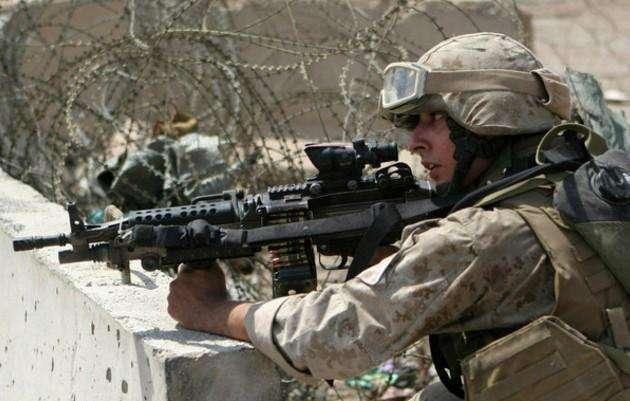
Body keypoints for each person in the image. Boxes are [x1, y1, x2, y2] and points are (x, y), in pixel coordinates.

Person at [164, 33, 630, 400]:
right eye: (411, 124)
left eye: (432, 119)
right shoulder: (580, 188)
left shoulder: (480, 236)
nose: (414, 142)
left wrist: (213, 309)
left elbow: (332, 337)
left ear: (487, 116)